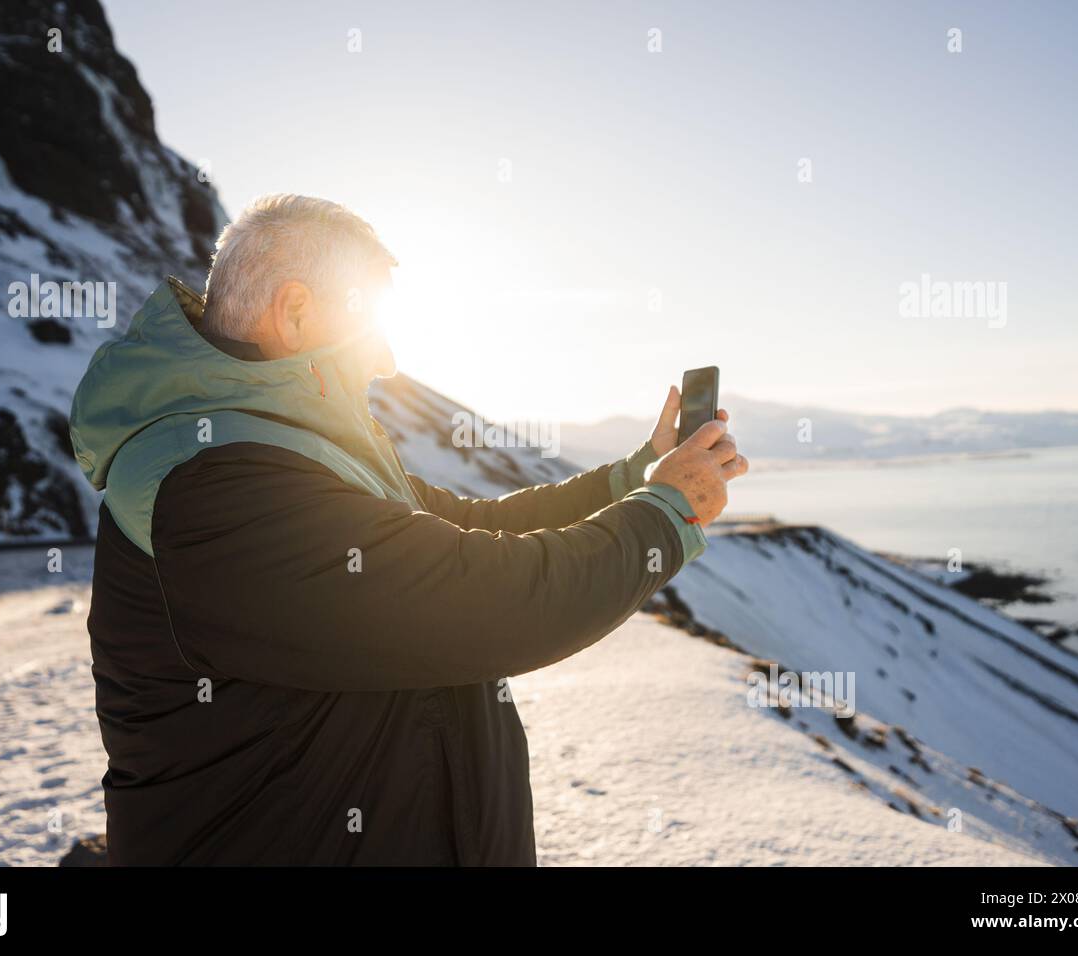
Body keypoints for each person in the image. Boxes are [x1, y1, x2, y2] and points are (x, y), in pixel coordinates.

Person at [68, 194, 748, 865]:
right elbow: (494, 601)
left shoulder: (295, 449)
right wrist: (667, 510)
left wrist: (637, 477)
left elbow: (473, 527)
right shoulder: (218, 483)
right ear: (295, 312)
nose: (388, 359)